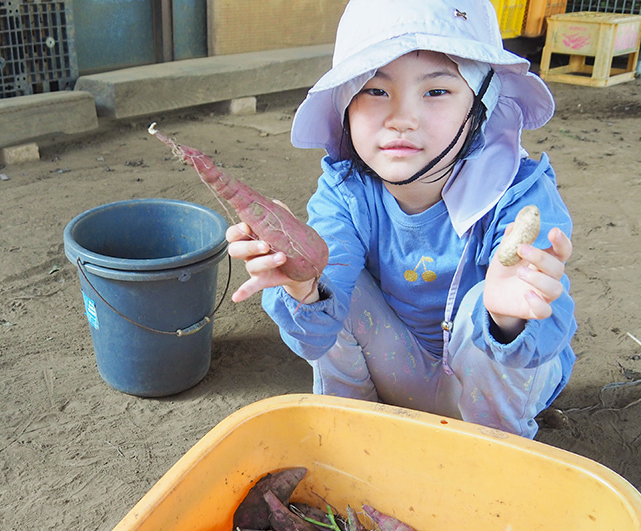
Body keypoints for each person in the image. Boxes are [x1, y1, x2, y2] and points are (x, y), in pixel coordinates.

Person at [226, 0, 576, 439]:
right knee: (331, 283)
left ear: (481, 102)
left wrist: (507, 319)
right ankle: (355, 435)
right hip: (397, 373)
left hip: (490, 387)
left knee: (486, 299)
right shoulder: (346, 191)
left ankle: (490, 455)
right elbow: (316, 336)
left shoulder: (519, 194)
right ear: (345, 104)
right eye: (375, 90)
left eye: (436, 91)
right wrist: (302, 285)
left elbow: (546, 337)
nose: (402, 120)